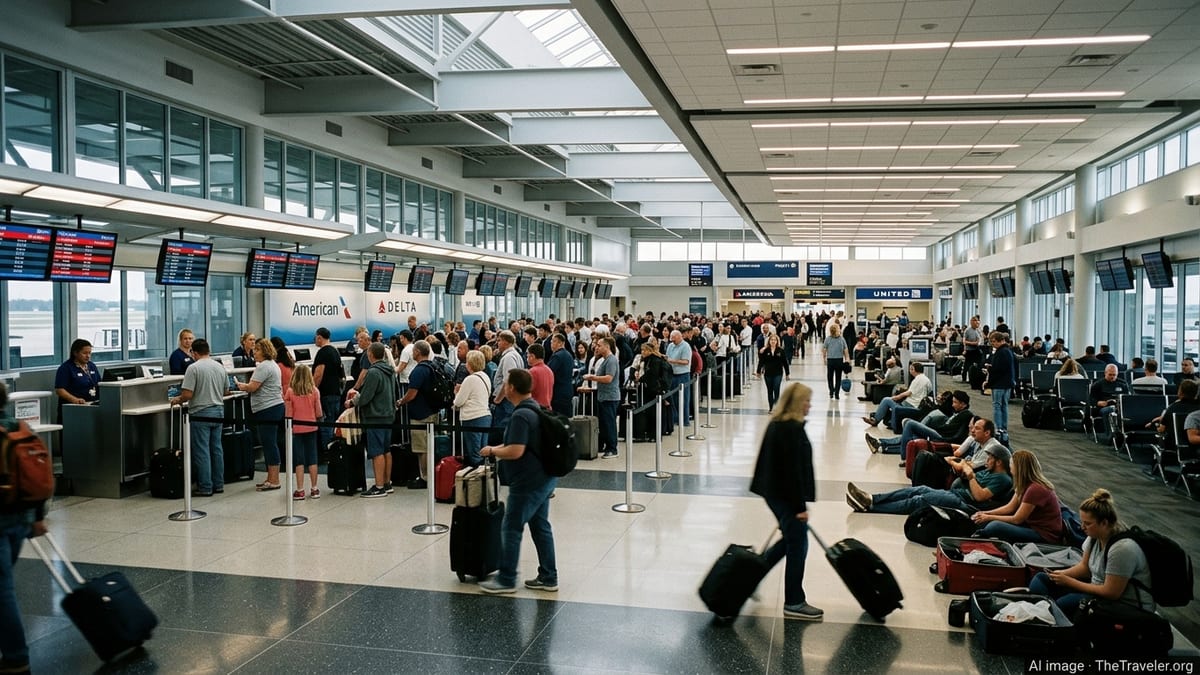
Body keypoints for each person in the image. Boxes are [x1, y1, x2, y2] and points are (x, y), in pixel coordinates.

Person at [478, 368, 558, 595]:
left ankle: (506, 579)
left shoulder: (520, 416)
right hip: (544, 477)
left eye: (506, 383)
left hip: (527, 482)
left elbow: (515, 450)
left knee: (511, 527)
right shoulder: (536, 408)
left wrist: (492, 450)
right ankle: (549, 576)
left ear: (511, 387)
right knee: (541, 527)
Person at [749, 383, 822, 621]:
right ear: (796, 403)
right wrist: (799, 507)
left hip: (774, 492)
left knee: (791, 540)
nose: (809, 406)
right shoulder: (791, 428)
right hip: (784, 495)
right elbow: (792, 472)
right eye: (806, 401)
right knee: (798, 544)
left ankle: (750, 578)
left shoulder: (778, 424)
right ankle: (794, 601)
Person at [1029, 489, 1154, 616]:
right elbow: (1085, 568)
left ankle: (1048, 615)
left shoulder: (1122, 549)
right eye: (1082, 522)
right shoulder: (1094, 536)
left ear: (1104, 523)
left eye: (1087, 523)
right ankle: (1042, 611)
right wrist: (1059, 574)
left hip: (1124, 604)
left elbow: (1111, 592)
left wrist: (1069, 581)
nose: (1081, 527)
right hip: (1096, 590)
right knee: (1041, 578)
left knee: (1063, 604)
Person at [0, 382, 48, 674]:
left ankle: (16, 656)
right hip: (20, 517)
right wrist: (38, 516)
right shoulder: (19, 427)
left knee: (2, 589)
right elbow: (38, 472)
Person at [846, 445, 1012, 515]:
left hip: (963, 503)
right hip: (955, 494)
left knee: (918, 500)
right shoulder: (989, 471)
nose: (987, 460)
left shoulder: (1003, 479)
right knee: (919, 489)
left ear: (998, 461)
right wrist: (967, 475)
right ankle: (872, 499)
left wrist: (970, 475)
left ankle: (872, 507)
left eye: (990, 457)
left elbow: (980, 496)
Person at [169, 338, 227, 497]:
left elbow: (187, 394)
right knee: (216, 449)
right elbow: (225, 390)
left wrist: (177, 399)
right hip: (219, 411)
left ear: (193, 352)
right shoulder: (219, 366)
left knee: (202, 451)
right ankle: (219, 484)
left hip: (201, 413)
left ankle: (206, 487)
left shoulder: (193, 368)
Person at [971, 450, 1063, 543]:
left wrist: (989, 517)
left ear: (1019, 468)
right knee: (985, 521)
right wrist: (985, 513)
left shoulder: (1036, 489)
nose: (1009, 466)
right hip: (1030, 525)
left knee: (995, 526)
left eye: (1011, 463)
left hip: (1044, 534)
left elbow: (1017, 519)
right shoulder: (1023, 484)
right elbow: (1010, 507)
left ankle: (979, 540)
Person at [234, 338, 285, 491]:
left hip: (267, 409)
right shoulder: (273, 365)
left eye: (257, 350)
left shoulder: (263, 366)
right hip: (274, 407)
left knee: (269, 443)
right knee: (269, 442)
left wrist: (240, 386)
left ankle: (274, 479)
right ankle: (270, 477)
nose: (254, 352)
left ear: (264, 351)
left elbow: (252, 387)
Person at [351, 342, 398, 498]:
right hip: (388, 414)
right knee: (386, 450)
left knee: (376, 451)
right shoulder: (390, 370)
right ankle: (386, 482)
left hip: (375, 416)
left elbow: (365, 397)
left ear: (370, 355)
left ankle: (378, 486)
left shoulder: (373, 373)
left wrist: (353, 400)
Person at [869, 390, 973, 455]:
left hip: (941, 436)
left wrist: (936, 429)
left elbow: (954, 432)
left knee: (909, 423)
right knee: (913, 437)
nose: (952, 405)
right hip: (940, 433)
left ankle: (904, 455)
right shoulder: (958, 413)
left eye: (955, 402)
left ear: (963, 404)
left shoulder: (966, 415)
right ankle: (881, 445)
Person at [398, 340, 440, 490]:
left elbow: (412, 393)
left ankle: (425, 477)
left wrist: (401, 401)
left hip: (420, 415)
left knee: (421, 448)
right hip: (432, 411)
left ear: (417, 352)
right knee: (429, 446)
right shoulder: (433, 366)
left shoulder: (418, 371)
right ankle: (431, 475)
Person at [284, 364, 323, 501]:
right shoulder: (315, 391)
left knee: (299, 459)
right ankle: (314, 488)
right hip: (311, 427)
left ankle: (300, 490)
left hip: (297, 429)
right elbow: (319, 412)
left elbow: (288, 414)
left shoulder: (290, 392)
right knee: (312, 458)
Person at [863, 362, 933, 430]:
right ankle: (879, 418)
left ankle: (875, 420)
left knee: (886, 400)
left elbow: (909, 393)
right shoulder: (927, 380)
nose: (909, 371)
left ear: (913, 370)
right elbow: (929, 391)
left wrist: (896, 397)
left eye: (911, 369)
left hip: (909, 404)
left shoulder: (917, 380)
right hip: (918, 405)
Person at [583, 336, 620, 459]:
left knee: (609, 423)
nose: (596, 347)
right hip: (603, 396)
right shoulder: (604, 360)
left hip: (610, 397)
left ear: (607, 346)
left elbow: (609, 378)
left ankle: (612, 448)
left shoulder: (611, 360)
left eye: (599, 345)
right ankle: (605, 445)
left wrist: (592, 378)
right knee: (604, 423)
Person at [454, 350, 493, 468]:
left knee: (474, 452)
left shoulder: (470, 379)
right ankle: (485, 479)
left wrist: (457, 392)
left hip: (472, 417)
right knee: (483, 450)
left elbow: (458, 401)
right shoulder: (485, 376)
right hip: (485, 415)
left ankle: (477, 481)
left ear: (470, 364)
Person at [311, 327, 345, 454]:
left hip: (325, 393)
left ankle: (327, 451)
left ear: (319, 337)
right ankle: (334, 450)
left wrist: (312, 391)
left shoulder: (323, 353)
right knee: (332, 422)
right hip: (335, 392)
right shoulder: (334, 351)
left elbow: (319, 374)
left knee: (326, 423)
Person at [54, 338, 101, 414]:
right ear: (75, 353)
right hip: (74, 408)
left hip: (91, 406)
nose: (88, 356)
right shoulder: (66, 368)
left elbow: (99, 383)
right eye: (85, 353)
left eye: (89, 353)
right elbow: (60, 390)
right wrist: (74, 400)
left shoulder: (91, 366)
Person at [985, 331, 1017, 442]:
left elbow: (997, 370)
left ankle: (998, 428)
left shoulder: (1000, 352)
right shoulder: (1008, 351)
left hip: (999, 383)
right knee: (1004, 406)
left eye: (994, 341)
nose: (992, 344)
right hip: (1008, 383)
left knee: (997, 405)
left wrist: (989, 372)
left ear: (1000, 341)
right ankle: (1003, 427)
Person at [665, 330, 693, 427]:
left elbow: (686, 361)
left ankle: (684, 420)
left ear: (679, 337)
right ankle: (674, 419)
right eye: (671, 338)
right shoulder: (670, 346)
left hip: (683, 375)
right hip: (672, 375)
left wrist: (673, 361)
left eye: (674, 338)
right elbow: (667, 357)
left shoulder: (686, 346)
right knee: (673, 399)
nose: (672, 340)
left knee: (683, 399)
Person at [757, 333, 790, 411]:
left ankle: (776, 404)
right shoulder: (765, 350)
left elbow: (785, 362)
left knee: (776, 388)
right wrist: (758, 371)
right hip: (768, 373)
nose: (773, 341)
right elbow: (761, 361)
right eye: (771, 340)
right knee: (770, 390)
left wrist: (787, 373)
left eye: (774, 340)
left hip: (778, 373)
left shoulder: (780, 350)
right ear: (769, 341)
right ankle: (771, 407)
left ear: (777, 341)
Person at [546, 333, 575, 417]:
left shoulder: (557, 356)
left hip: (558, 392)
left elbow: (549, 372)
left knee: (558, 418)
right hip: (567, 390)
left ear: (560, 343)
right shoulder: (568, 355)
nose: (551, 344)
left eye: (553, 342)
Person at [822, 323, 850, 400]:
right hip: (837, 360)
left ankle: (833, 392)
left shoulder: (828, 339)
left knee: (831, 377)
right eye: (839, 329)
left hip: (832, 360)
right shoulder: (841, 339)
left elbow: (824, 349)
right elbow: (845, 350)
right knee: (837, 377)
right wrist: (847, 358)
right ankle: (835, 392)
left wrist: (824, 358)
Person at [526, 344, 554, 408]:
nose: (527, 358)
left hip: (536, 409)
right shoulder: (549, 370)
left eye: (527, 355)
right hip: (547, 408)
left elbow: (527, 392)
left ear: (532, 356)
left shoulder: (532, 371)